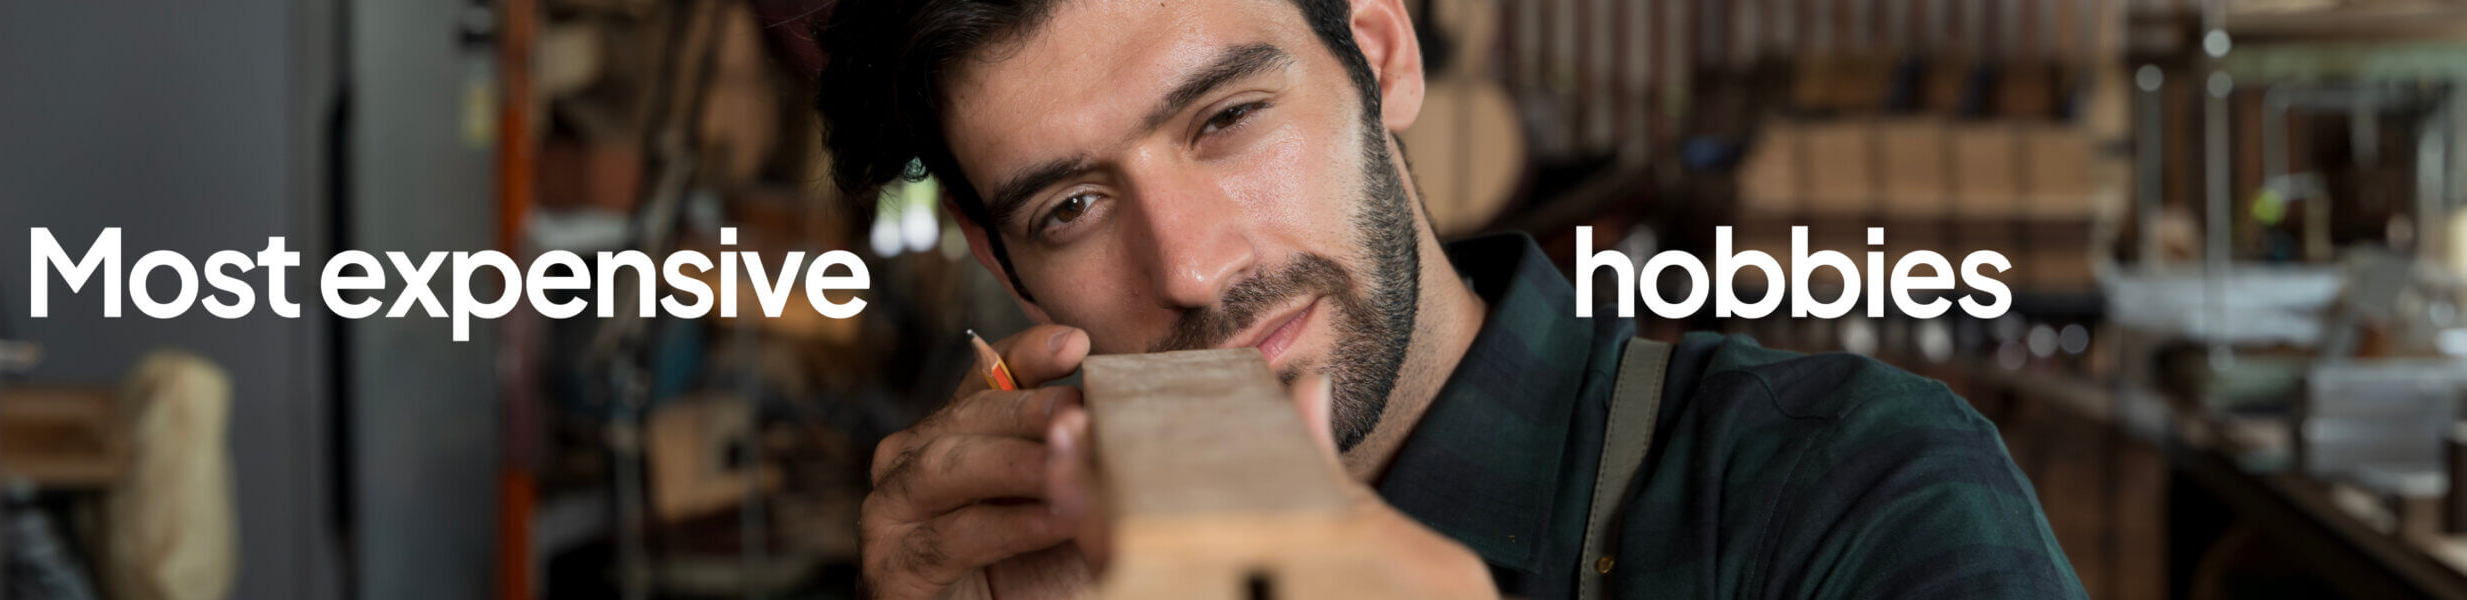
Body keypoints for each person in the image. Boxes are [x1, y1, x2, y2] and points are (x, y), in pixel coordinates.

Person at [813, 0, 2085, 598]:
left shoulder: (1853, 497)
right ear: (1002, 267)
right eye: (1071, 209)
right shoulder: (1039, 576)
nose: (1191, 268)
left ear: (1380, 56)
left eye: (1228, 117)